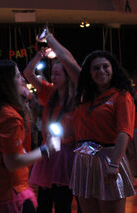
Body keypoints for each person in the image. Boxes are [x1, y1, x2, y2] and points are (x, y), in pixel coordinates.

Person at [44, 31, 135, 212]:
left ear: (113, 69)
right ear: (89, 73)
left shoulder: (121, 96)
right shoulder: (85, 92)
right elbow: (67, 60)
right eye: (96, 68)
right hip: (84, 160)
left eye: (105, 66)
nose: (101, 71)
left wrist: (115, 163)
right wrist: (49, 37)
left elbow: (124, 132)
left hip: (109, 159)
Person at [0, 59, 54, 213]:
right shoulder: (8, 117)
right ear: (6, 83)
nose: (22, 80)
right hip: (7, 193)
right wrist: (46, 149)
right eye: (17, 76)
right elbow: (13, 162)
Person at [24, 50, 77, 213]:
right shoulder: (48, 92)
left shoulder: (76, 98)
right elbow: (28, 73)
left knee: (63, 201)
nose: (53, 78)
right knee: (44, 201)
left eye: (57, 74)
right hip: (48, 152)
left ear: (68, 76)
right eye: (52, 74)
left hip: (67, 153)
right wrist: (39, 55)